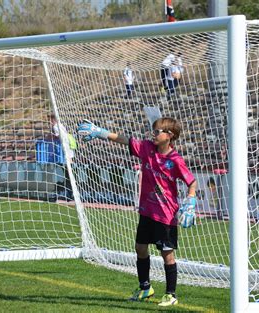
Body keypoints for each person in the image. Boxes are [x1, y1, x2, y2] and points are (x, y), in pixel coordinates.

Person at [77, 117, 198, 307]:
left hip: (165, 214)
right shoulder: (147, 148)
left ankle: (171, 294)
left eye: (158, 131)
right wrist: (101, 132)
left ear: (170, 136)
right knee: (140, 248)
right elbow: (124, 139)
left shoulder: (175, 160)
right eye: (154, 130)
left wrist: (190, 200)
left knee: (167, 254)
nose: (154, 134)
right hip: (147, 211)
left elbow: (191, 182)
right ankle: (145, 288)